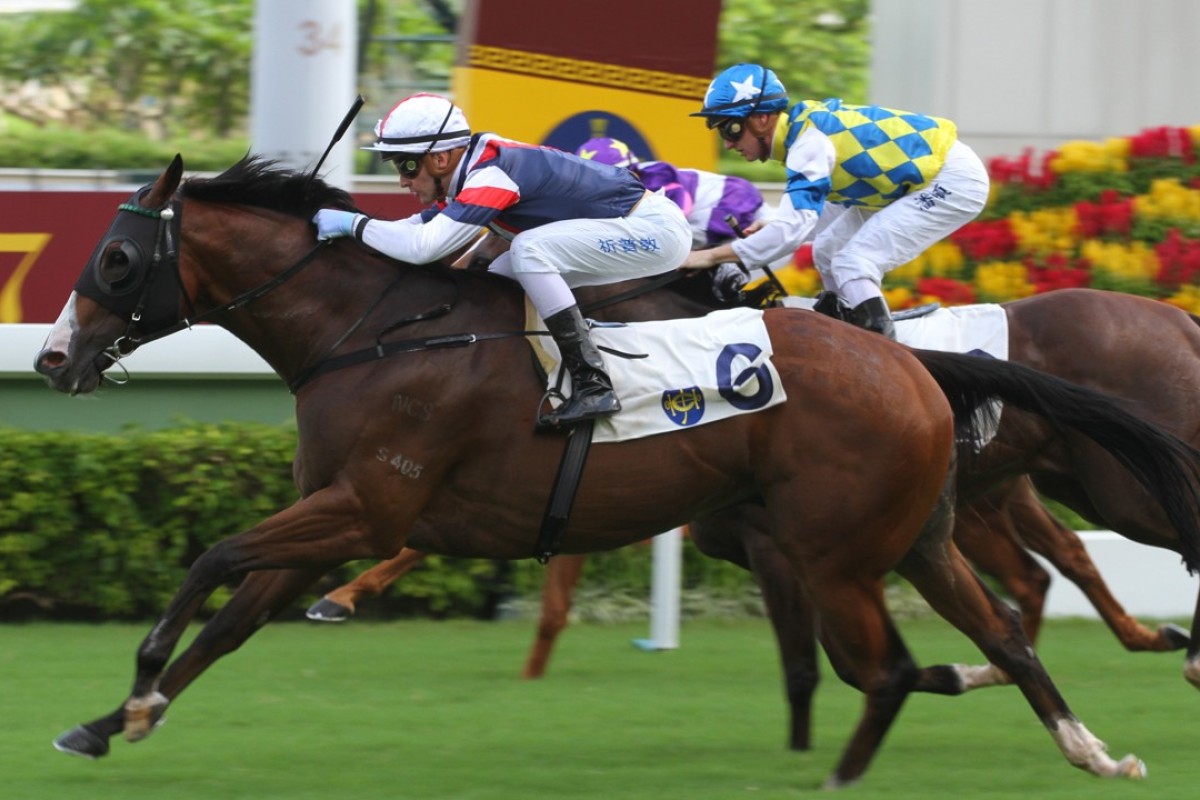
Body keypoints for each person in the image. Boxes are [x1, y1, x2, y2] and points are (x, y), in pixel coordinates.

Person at [312, 93, 692, 428]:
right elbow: (410, 230)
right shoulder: (469, 173)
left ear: (441, 158)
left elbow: (423, 247)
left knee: (528, 250)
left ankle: (593, 384)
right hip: (629, 229)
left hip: (654, 231)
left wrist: (353, 223)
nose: (401, 180)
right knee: (493, 283)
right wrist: (351, 238)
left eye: (405, 165)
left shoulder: (491, 175)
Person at [681, 63, 990, 339]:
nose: (728, 142)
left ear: (762, 119)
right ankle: (848, 329)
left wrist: (708, 257)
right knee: (828, 250)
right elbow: (810, 219)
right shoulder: (801, 137)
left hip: (952, 179)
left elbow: (791, 232)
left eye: (729, 128)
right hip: (912, 180)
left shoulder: (808, 144)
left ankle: (882, 346)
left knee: (853, 262)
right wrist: (775, 224)